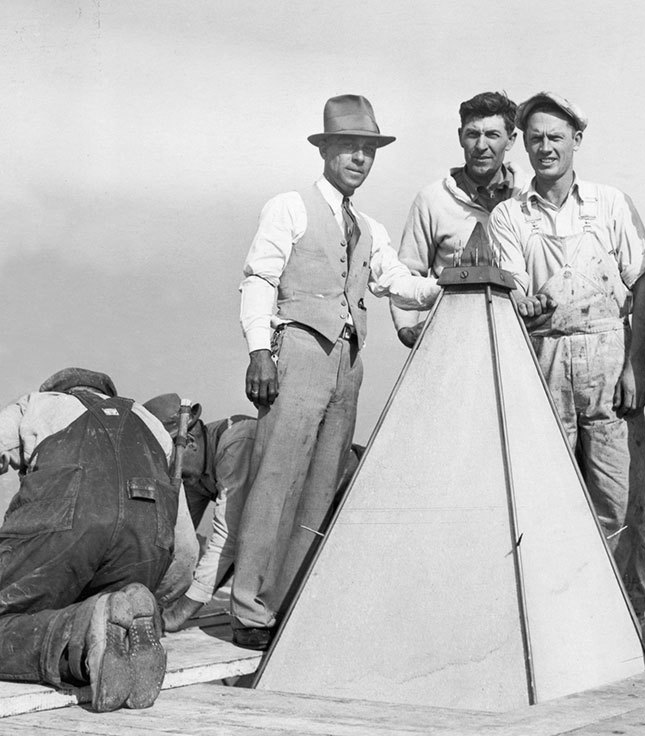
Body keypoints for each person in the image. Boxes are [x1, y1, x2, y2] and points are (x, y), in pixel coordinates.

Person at [234, 94, 441, 650]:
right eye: (348, 147)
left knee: (323, 483)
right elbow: (259, 278)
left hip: (348, 364)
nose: (359, 159)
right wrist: (259, 351)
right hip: (297, 351)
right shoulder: (290, 207)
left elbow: (397, 281)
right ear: (326, 150)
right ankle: (250, 612)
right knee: (276, 479)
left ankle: (287, 605)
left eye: (368, 150)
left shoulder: (370, 227)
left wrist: (449, 284)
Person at [488, 92, 645, 647]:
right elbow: (514, 294)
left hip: (610, 359)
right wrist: (527, 304)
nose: (545, 148)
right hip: (546, 362)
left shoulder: (610, 204)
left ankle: (628, 631)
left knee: (620, 502)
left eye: (556, 137)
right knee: (550, 499)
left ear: (576, 141)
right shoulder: (509, 215)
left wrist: (635, 366)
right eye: (535, 137)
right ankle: (560, 636)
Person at [0, 368, 194, 711]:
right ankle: (122, 616)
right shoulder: (148, 421)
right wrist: (158, 602)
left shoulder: (38, 404)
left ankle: (86, 634)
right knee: (109, 607)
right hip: (146, 545)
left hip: (69, 518)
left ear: (58, 388)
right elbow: (186, 549)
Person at [392, 91, 528, 347]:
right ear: (460, 137)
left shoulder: (529, 197)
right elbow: (408, 274)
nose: (481, 145)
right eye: (473, 134)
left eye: (492, 135)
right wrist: (407, 330)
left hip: (521, 346)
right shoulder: (432, 199)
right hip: (453, 345)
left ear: (511, 140)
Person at [142, 394, 256, 632]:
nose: (171, 474)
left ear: (190, 442)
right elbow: (176, 543)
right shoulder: (195, 469)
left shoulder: (236, 442)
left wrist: (177, 615)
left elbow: (228, 541)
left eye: (169, 462)